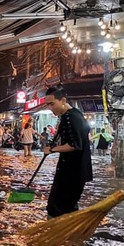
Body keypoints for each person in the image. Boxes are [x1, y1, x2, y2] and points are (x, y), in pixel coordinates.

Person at [43, 85, 93, 217]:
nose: (50, 108)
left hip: (73, 172)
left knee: (59, 208)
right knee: (60, 207)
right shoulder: (70, 116)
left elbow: (74, 145)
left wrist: (52, 149)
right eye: (48, 105)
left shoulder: (72, 117)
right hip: (69, 170)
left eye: (52, 104)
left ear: (63, 101)